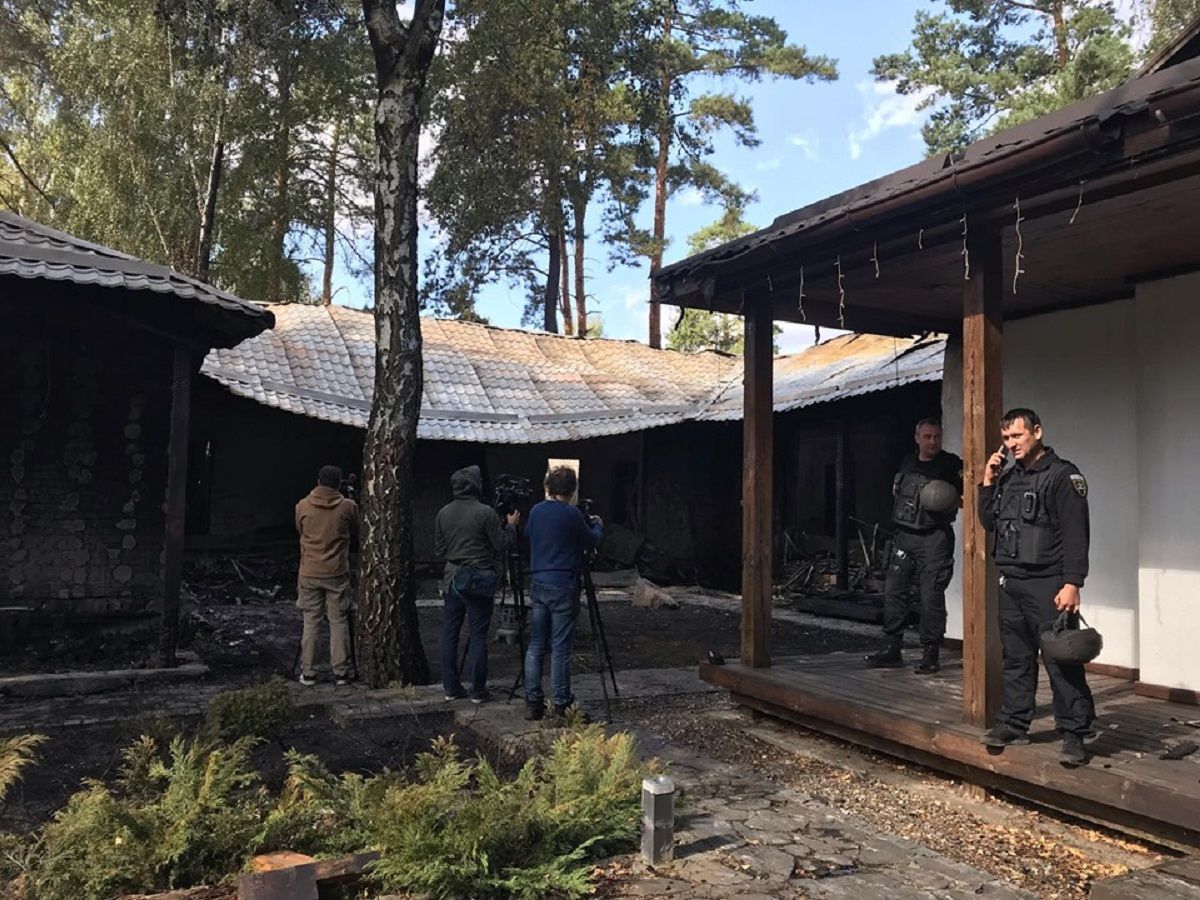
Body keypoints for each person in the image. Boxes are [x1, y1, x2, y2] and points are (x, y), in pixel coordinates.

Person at [978, 408, 1094, 767]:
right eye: (1007, 439)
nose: (1011, 444)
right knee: (1016, 657)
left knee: (1062, 660)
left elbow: (1077, 533)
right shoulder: (1009, 478)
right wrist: (988, 482)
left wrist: (1073, 582)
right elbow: (988, 522)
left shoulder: (1064, 476)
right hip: (1011, 583)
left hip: (1048, 583)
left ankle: (1074, 733)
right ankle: (1014, 722)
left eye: (1018, 436)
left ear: (1037, 432)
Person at [866, 419, 963, 674]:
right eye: (928, 437)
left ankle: (931, 652)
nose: (933, 442)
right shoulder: (907, 462)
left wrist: (950, 500)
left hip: (934, 538)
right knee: (894, 591)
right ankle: (891, 649)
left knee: (930, 595)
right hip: (904, 535)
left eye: (937, 437)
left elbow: (970, 494)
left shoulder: (952, 465)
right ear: (917, 438)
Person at [523, 466, 603, 721]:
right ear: (571, 490)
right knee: (560, 646)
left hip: (539, 580)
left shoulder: (536, 510)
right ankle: (561, 701)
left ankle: (533, 700)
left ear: (548, 486)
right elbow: (590, 540)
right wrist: (599, 526)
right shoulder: (570, 514)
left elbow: (527, 535)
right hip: (562, 582)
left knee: (536, 643)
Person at [434, 465, 518, 703]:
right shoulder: (486, 513)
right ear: (476, 485)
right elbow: (502, 545)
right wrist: (511, 526)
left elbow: (440, 550)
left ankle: (451, 687)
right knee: (478, 634)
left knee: (450, 633)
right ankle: (478, 690)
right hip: (479, 579)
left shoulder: (443, 513)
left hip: (452, 579)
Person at [295, 464, 359, 686]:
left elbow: (300, 531)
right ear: (338, 482)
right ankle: (341, 671)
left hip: (309, 570)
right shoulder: (348, 507)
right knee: (338, 621)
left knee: (311, 621)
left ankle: (309, 672)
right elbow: (357, 529)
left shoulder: (302, 506)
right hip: (336, 572)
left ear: (318, 480)